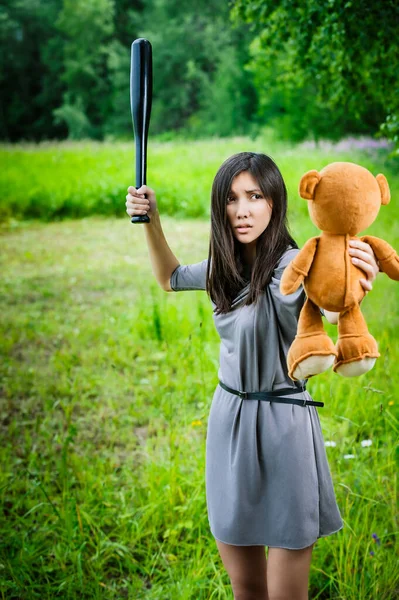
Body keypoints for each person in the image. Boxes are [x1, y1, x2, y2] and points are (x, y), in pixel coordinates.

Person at [125, 152, 379, 600]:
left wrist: (357, 281)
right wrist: (151, 218)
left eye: (254, 196)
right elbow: (169, 277)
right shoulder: (225, 268)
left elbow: (333, 308)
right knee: (246, 592)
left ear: (275, 203)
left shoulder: (295, 265)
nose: (241, 210)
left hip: (285, 429)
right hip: (230, 424)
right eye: (231, 198)